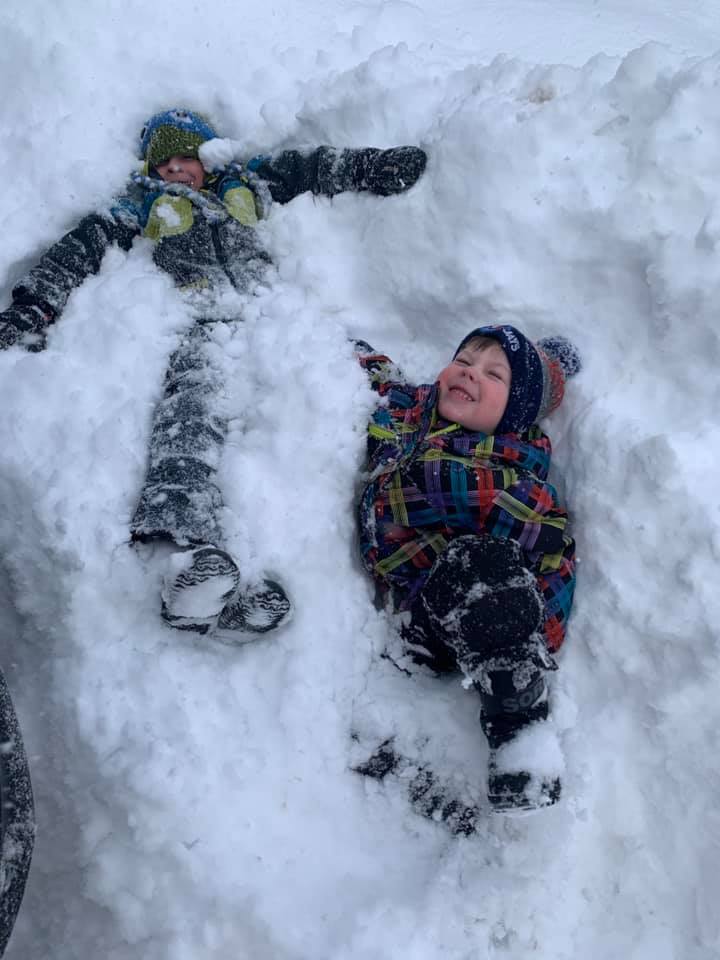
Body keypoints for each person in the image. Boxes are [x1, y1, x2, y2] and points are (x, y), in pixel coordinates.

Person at [0, 108, 427, 641]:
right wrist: (31, 308)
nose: (178, 169)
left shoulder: (248, 183)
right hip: (207, 326)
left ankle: (259, 583)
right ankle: (190, 557)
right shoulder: (140, 208)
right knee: (192, 414)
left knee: (311, 424)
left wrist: (373, 168)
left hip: (277, 322)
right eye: (165, 163)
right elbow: (76, 252)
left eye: (188, 158)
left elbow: (310, 168)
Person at [355, 324, 580, 812]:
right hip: (421, 614)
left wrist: (535, 630)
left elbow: (552, 547)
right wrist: (361, 357)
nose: (469, 372)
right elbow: (387, 383)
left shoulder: (510, 472)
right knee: (462, 569)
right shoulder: (415, 411)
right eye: (464, 360)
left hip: (489, 620)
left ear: (516, 413)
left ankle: (521, 735)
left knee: (479, 562)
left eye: (493, 373)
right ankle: (420, 652)